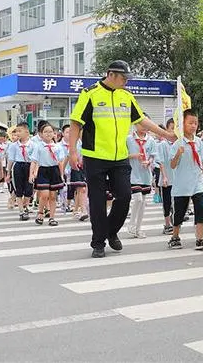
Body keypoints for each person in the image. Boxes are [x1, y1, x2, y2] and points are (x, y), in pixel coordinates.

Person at [69, 60, 176, 258]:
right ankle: (98, 242)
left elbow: (141, 119)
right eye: (123, 77)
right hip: (95, 156)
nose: (126, 81)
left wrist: (165, 134)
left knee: (125, 196)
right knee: (98, 202)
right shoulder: (89, 94)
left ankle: (110, 231)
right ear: (111, 74)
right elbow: (76, 123)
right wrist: (72, 152)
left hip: (119, 157)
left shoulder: (126, 96)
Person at [166, 110, 203, 251]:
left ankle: (200, 238)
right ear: (183, 124)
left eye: (196, 123)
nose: (193, 126)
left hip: (198, 182)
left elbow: (202, 163)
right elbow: (172, 165)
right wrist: (178, 154)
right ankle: (175, 236)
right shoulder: (177, 144)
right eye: (190, 123)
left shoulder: (199, 142)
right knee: (180, 212)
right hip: (182, 183)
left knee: (201, 208)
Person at [28, 123, 64, 226]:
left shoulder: (57, 147)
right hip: (43, 171)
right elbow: (34, 161)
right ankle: (40, 213)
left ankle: (52, 217)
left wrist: (61, 175)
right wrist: (31, 174)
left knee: (53, 196)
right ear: (41, 134)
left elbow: (60, 162)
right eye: (45, 132)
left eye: (50, 132)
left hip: (54, 171)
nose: (48, 134)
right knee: (44, 194)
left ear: (54, 134)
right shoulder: (38, 147)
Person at [125, 123, 156, 239]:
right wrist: (134, 156)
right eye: (141, 124)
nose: (144, 127)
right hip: (133, 174)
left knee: (143, 202)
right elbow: (123, 155)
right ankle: (131, 225)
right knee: (137, 199)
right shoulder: (129, 139)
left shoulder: (151, 140)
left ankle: (138, 228)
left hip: (145, 175)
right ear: (135, 124)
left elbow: (153, 155)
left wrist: (149, 162)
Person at [6, 122, 35, 221]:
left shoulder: (33, 145)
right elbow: (11, 159)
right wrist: (8, 172)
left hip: (29, 166)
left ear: (27, 132)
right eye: (16, 131)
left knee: (28, 190)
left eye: (20, 131)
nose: (17, 133)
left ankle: (25, 205)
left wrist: (34, 171)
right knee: (18, 190)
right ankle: (21, 211)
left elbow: (35, 159)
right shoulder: (13, 146)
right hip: (18, 166)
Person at [156, 118, 175, 235]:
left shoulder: (179, 143)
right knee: (166, 202)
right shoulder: (163, 144)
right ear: (167, 130)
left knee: (176, 203)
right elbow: (161, 162)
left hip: (177, 179)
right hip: (166, 179)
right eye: (172, 129)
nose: (174, 131)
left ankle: (174, 222)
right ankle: (167, 224)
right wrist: (164, 177)